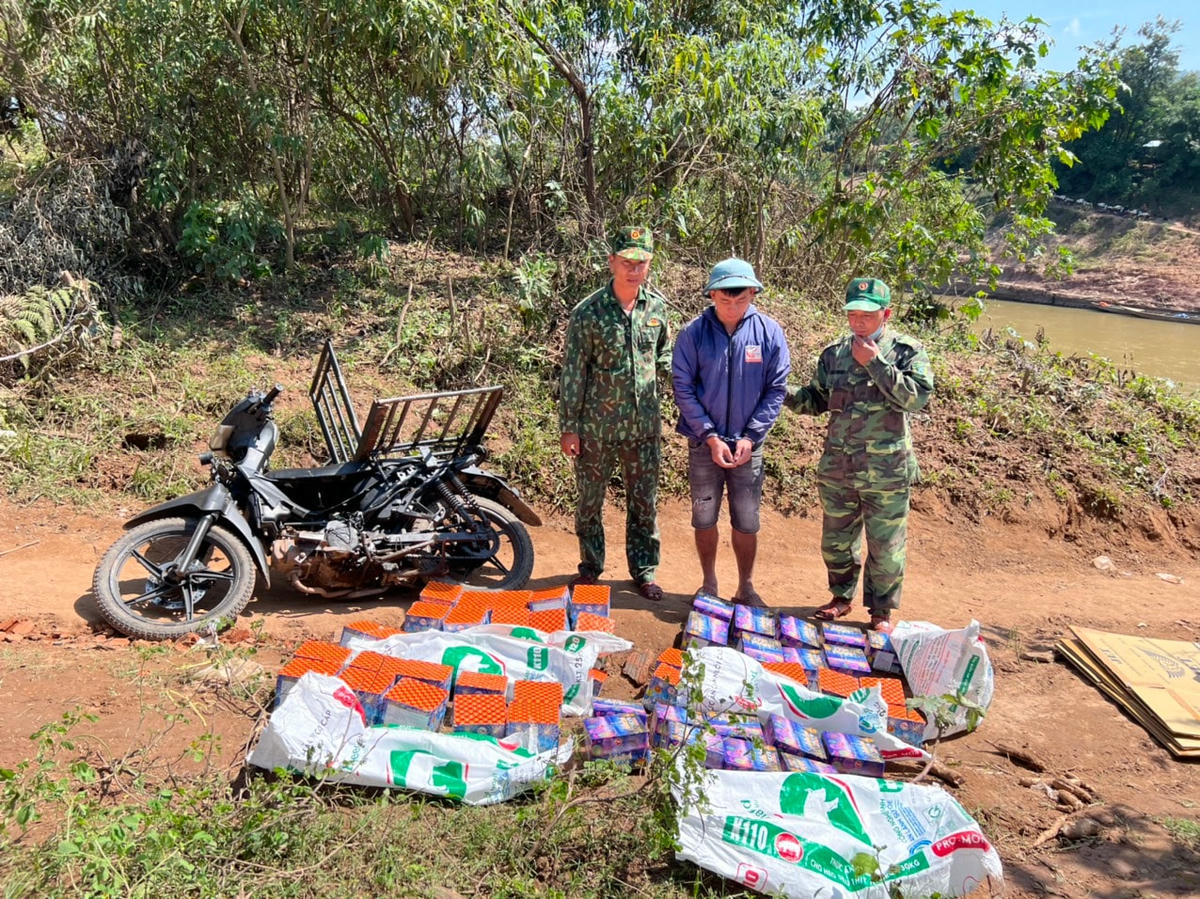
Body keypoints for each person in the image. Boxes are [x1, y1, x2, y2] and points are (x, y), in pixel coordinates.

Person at [784, 276, 934, 634]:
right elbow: (816, 399)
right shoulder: (833, 354)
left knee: (886, 546)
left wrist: (876, 363)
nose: (859, 321)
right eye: (853, 313)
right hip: (840, 467)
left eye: (868, 314)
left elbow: (917, 398)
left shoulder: (907, 352)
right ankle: (840, 597)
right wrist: (778, 391)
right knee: (836, 541)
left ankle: (881, 611)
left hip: (887, 470)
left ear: (887, 313)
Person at [558, 226, 672, 600]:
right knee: (590, 501)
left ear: (649, 265)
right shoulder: (588, 312)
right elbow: (574, 372)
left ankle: (644, 571)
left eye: (641, 263)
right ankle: (590, 568)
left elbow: (663, 358)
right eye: (626, 262)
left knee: (644, 503)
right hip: (596, 429)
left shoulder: (656, 308)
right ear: (612, 262)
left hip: (644, 428)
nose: (633, 269)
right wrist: (569, 428)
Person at [672, 258, 790, 606]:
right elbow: (683, 386)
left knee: (747, 519)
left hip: (747, 447)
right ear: (711, 294)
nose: (734, 307)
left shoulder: (769, 333)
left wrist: (751, 437)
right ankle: (709, 583)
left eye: (742, 299)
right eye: (726, 300)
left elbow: (776, 388)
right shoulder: (693, 334)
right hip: (702, 444)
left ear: (754, 293)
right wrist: (708, 435)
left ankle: (746, 587)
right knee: (704, 516)